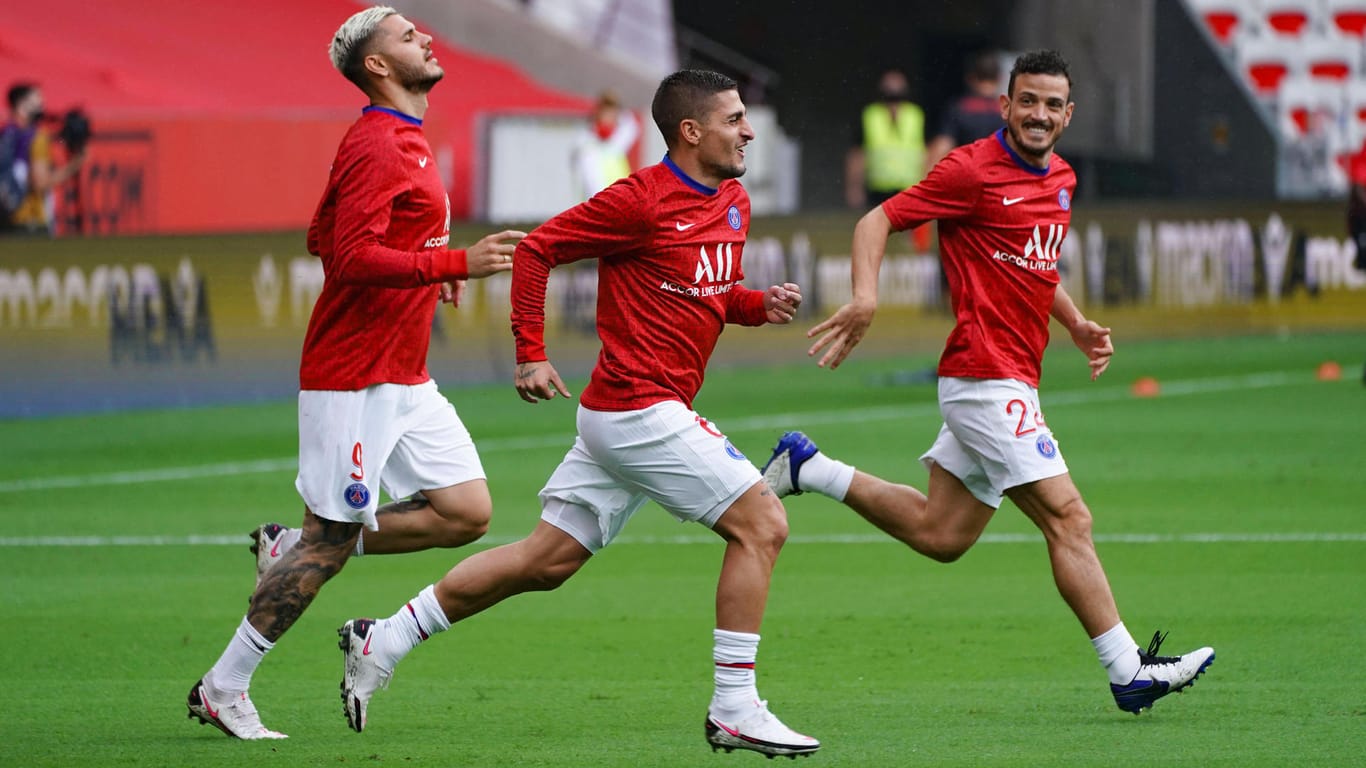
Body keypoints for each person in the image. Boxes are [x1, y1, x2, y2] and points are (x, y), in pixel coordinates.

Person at [333, 69, 820, 759]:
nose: (746, 130)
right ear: (691, 131)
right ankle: (734, 707)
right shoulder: (638, 201)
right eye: (735, 118)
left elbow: (707, 291)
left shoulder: (733, 202)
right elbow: (538, 250)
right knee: (765, 523)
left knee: (544, 561)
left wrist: (753, 305)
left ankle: (383, 638)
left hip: (632, 416)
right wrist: (530, 354)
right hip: (636, 409)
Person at [762, 50, 1215, 716]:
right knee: (1070, 518)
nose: (1039, 114)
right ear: (1004, 106)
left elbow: (1036, 265)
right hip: (983, 374)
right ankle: (1129, 671)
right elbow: (876, 220)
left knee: (942, 535)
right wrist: (864, 298)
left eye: (1052, 104)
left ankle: (808, 467)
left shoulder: (1061, 177)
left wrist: (1078, 323)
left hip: (1012, 376)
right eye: (1026, 100)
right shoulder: (971, 170)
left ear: (1068, 115)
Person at [185, 5, 524, 740]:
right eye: (406, 36)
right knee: (328, 545)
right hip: (353, 374)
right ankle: (223, 686)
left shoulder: (402, 139)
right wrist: (451, 261)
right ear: (377, 66)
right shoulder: (379, 144)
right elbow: (344, 256)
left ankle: (293, 546)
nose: (424, 38)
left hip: (403, 372)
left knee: (466, 511)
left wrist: (428, 263)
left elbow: (321, 232)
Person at [845, 69, 930, 251]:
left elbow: (927, 152)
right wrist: (854, 187)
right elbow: (857, 154)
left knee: (911, 244)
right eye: (890, 96)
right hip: (878, 189)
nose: (894, 102)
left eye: (898, 96)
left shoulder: (916, 115)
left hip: (910, 190)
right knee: (876, 238)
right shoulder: (870, 115)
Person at [1, 82, 85, 235]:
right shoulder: (37, 137)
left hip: (4, 219)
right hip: (30, 220)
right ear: (22, 103)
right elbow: (40, 183)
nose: (42, 103)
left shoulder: (5, 134)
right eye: (37, 98)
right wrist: (75, 164)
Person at [924, 51, 1005, 173]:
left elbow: (942, 147)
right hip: (1000, 181)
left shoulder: (958, 108)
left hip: (968, 179)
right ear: (1000, 78)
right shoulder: (1007, 110)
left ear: (970, 78)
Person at [572, 88, 639, 200]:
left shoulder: (617, 141)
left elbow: (632, 125)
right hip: (599, 206)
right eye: (606, 113)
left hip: (619, 204)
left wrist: (615, 105)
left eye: (613, 113)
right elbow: (590, 181)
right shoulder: (585, 143)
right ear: (598, 113)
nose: (609, 117)